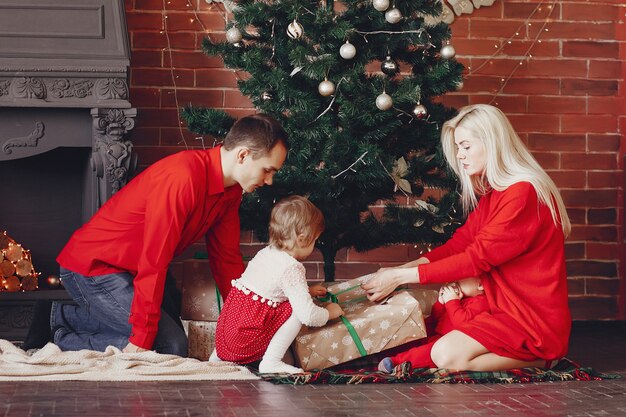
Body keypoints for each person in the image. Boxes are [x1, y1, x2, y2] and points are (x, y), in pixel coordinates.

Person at [36, 114, 289, 356]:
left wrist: (243, 317)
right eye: (268, 170)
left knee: (175, 343)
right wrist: (142, 337)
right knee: (169, 347)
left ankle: (61, 316)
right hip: (93, 269)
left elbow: (227, 261)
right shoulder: (183, 177)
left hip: (130, 271)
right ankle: (57, 332)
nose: (270, 181)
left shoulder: (231, 192)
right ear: (243, 155)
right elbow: (154, 258)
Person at [362, 104, 572, 372]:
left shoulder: (523, 194)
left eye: (466, 146)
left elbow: (476, 260)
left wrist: (400, 278)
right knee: (434, 333)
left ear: (491, 143)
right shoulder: (496, 194)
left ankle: (541, 358)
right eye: (458, 148)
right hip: (498, 309)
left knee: (447, 355)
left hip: (527, 318)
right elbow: (458, 246)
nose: (459, 156)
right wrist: (402, 270)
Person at [211, 195, 344, 374]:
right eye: (315, 241)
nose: (314, 246)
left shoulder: (266, 253)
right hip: (245, 342)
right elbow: (308, 316)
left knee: (280, 304)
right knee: (296, 310)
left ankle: (218, 358)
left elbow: (268, 292)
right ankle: (271, 362)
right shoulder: (291, 268)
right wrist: (330, 313)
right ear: (303, 239)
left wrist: (308, 291)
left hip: (227, 337)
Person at [378, 277, 488, 372]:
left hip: (446, 343)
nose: (456, 280)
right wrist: (441, 302)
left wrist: (451, 301)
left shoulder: (482, 303)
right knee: (411, 339)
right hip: (435, 333)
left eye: (461, 279)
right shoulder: (461, 297)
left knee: (424, 353)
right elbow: (437, 317)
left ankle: (396, 363)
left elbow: (462, 323)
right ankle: (380, 355)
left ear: (480, 285)